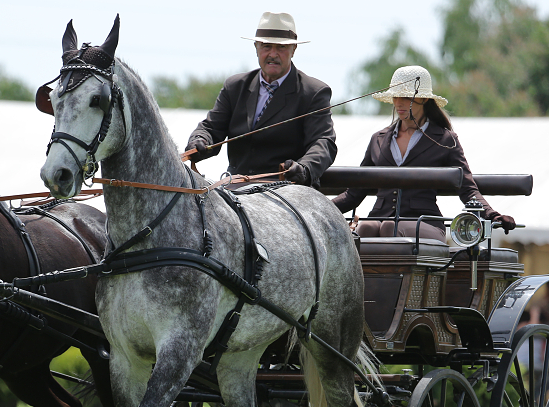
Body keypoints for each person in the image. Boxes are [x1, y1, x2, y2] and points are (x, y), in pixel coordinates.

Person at [331, 65, 515, 240]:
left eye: (406, 96)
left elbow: (467, 188)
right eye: (395, 96)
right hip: (379, 219)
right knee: (365, 228)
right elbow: (354, 193)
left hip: (425, 221)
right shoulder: (377, 139)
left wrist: (492, 215)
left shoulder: (445, 140)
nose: (398, 102)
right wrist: (317, 209)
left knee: (389, 226)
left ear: (424, 99)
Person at [185, 12, 337, 188]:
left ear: (293, 49)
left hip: (288, 192)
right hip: (235, 189)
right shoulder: (235, 86)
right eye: (266, 46)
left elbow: (323, 143)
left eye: (281, 47)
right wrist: (199, 140)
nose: (273, 54)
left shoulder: (313, 92)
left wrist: (304, 168)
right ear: (256, 47)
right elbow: (211, 128)